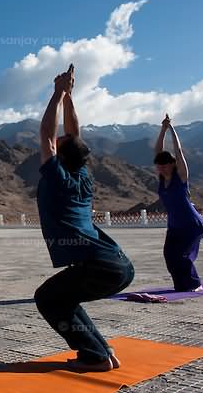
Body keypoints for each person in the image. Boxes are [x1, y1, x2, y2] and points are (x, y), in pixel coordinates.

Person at [34, 64, 134, 372]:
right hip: (117, 264)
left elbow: (48, 136)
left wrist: (57, 94)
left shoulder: (59, 178)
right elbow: (74, 135)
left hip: (101, 267)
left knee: (48, 299)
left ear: (61, 156)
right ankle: (101, 351)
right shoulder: (83, 175)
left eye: (60, 145)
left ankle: (96, 355)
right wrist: (68, 95)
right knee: (61, 299)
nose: (60, 140)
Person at [154, 114, 203, 292]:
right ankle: (181, 285)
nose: (161, 166)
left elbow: (178, 152)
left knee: (181, 255)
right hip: (175, 226)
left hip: (191, 225)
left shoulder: (181, 177)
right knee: (169, 255)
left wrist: (171, 129)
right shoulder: (162, 180)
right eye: (159, 164)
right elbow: (158, 151)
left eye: (165, 163)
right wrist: (162, 129)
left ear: (172, 164)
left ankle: (195, 284)